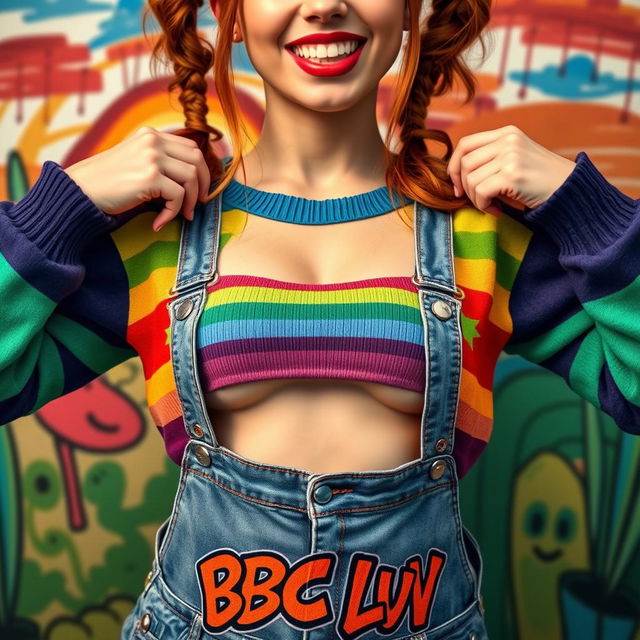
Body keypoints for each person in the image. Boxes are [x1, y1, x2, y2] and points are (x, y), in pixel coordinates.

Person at [1, 0, 639, 638]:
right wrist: (60, 208)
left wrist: (590, 211)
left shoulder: (481, 234)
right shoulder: (162, 230)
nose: (328, 5)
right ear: (232, 13)